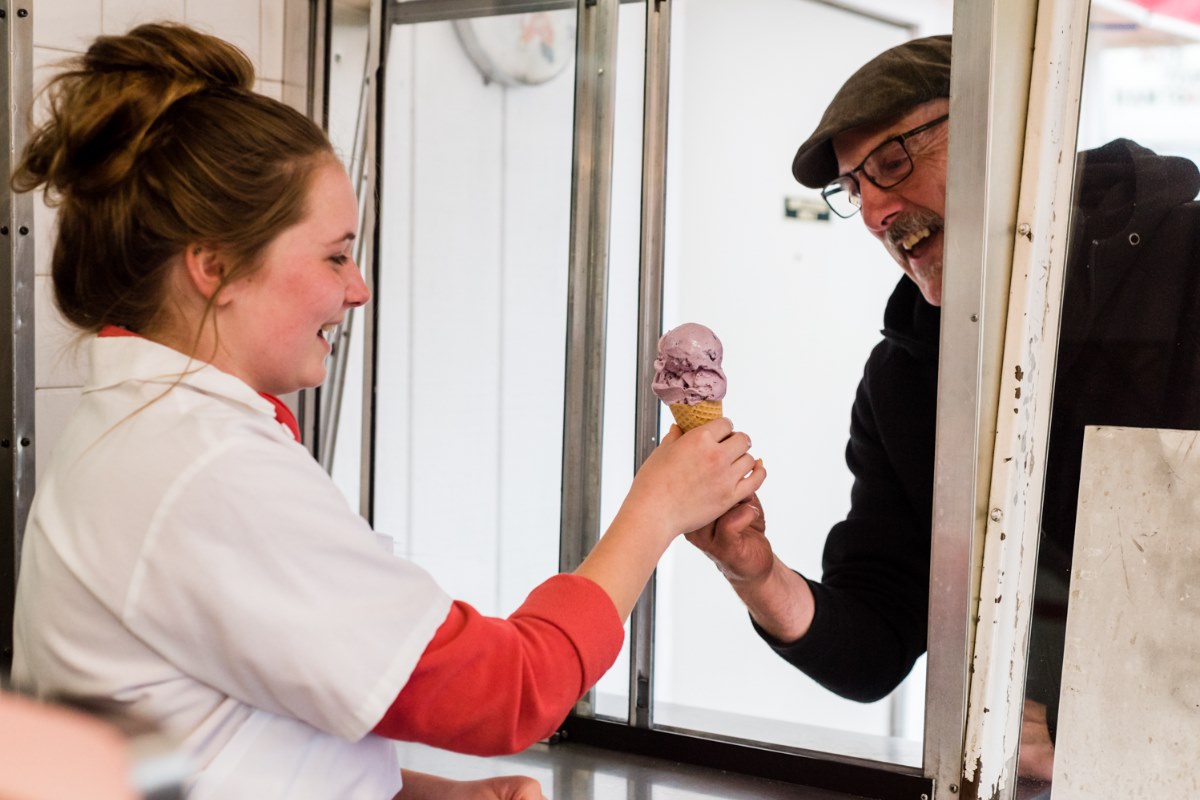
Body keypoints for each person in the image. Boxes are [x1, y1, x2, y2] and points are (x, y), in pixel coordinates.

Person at [9, 23, 766, 800]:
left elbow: (211, 737)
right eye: (335, 255)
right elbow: (510, 690)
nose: (358, 288)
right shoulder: (206, 468)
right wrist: (656, 508)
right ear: (215, 265)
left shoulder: (139, 435)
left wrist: (425, 795)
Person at [685, 33, 1200, 784]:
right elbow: (877, 639)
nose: (873, 213)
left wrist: (1107, 726)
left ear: (1005, 130)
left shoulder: (1184, 267)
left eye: (893, 162)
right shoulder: (905, 377)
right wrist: (756, 574)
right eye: (854, 189)